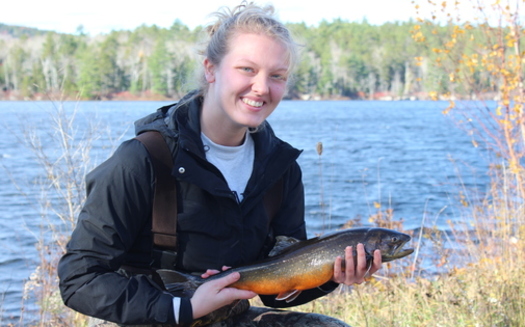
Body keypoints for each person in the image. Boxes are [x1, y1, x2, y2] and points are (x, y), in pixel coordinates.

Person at [58, 2, 382, 326]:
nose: (261, 88)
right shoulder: (143, 160)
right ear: (210, 69)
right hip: (156, 317)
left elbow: (274, 290)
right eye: (247, 69)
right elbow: (79, 279)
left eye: (277, 76)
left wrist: (330, 275)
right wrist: (184, 308)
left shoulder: (281, 170)